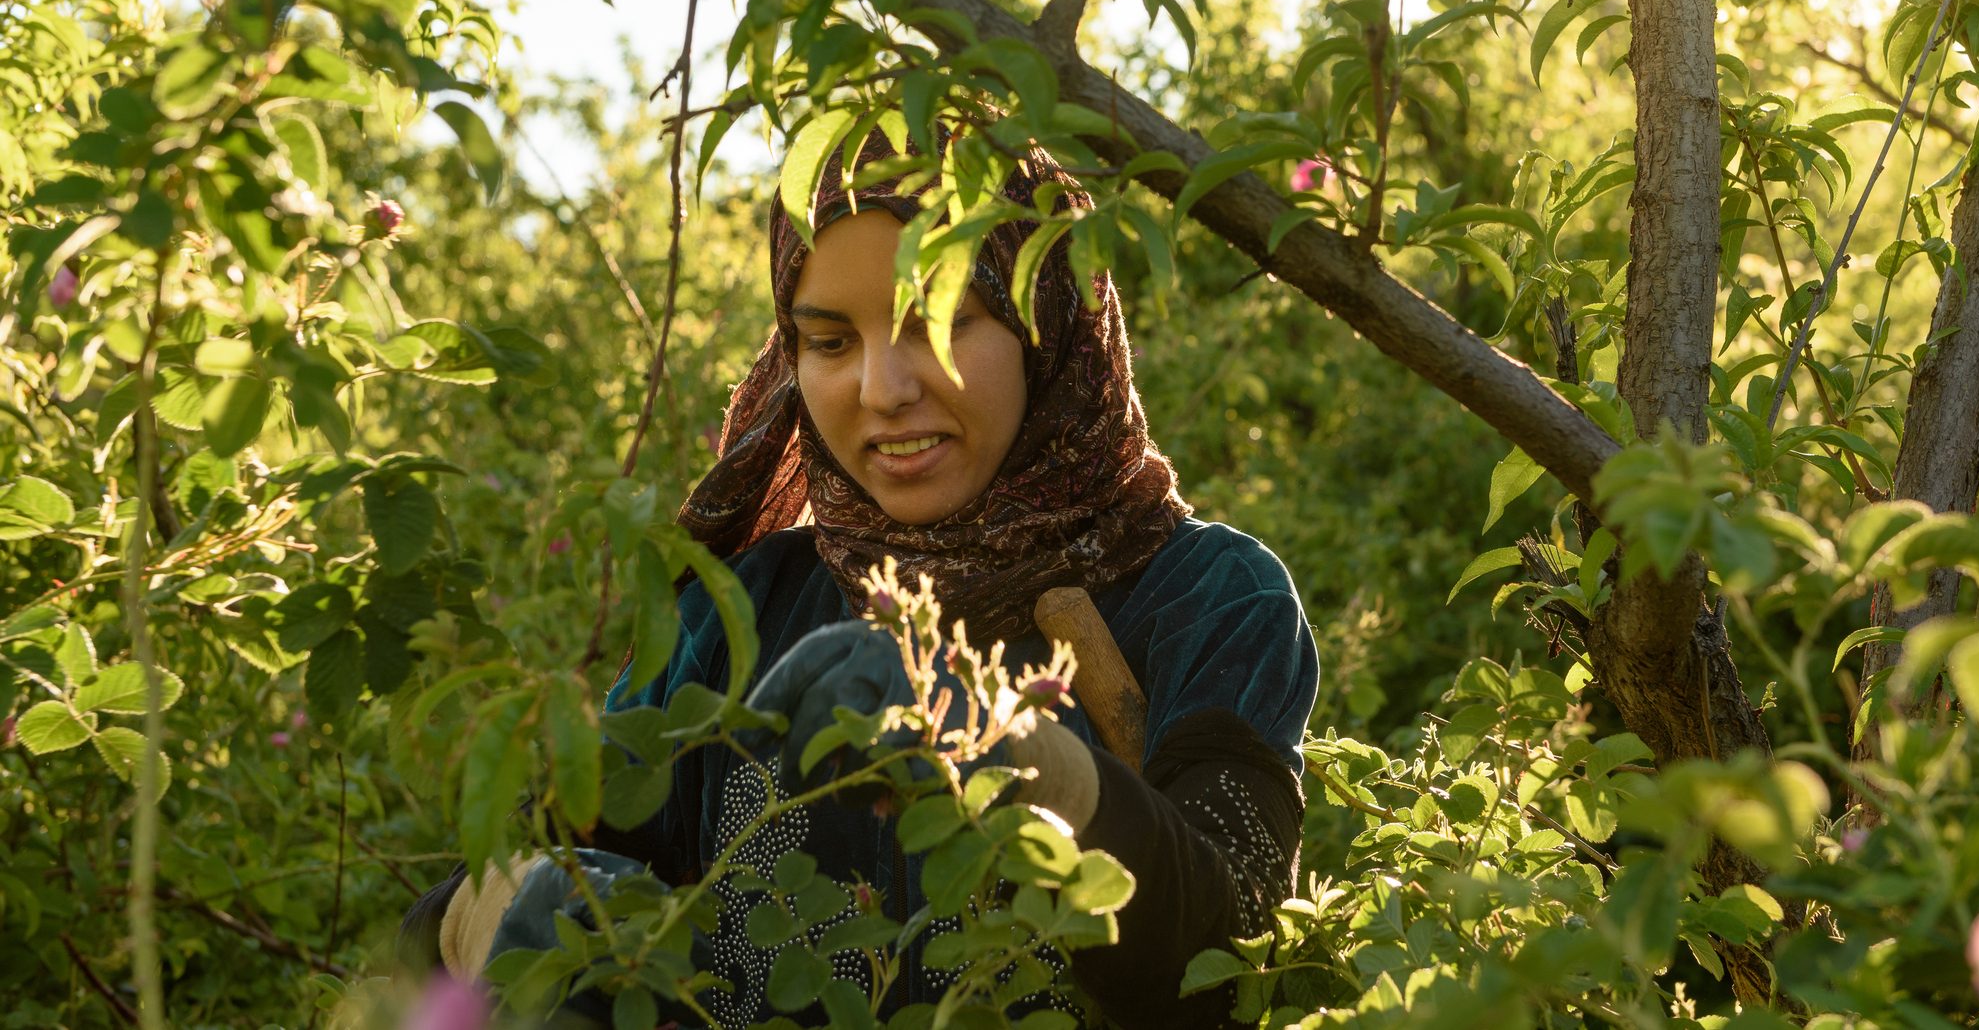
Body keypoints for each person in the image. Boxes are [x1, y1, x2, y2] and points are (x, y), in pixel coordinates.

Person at [401, 135, 1318, 1027]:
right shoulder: (742, 609)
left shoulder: (1206, 597)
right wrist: (491, 919)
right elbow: (515, 881)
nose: (882, 388)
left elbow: (1234, 952)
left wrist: (1028, 763)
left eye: (939, 318)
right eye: (831, 342)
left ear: (1048, 319)